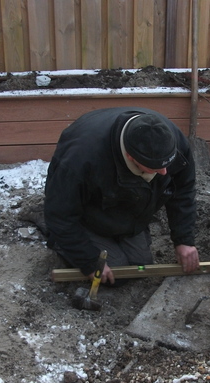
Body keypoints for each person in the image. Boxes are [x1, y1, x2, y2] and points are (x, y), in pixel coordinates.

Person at [44, 107, 200, 285]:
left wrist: (184, 240)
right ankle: (59, 239)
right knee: (116, 274)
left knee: (139, 267)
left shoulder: (171, 141)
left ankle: (119, 233)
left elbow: (183, 192)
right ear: (130, 156)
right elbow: (60, 215)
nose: (164, 172)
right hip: (88, 215)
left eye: (166, 164)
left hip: (130, 209)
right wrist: (88, 260)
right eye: (155, 167)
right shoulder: (79, 159)